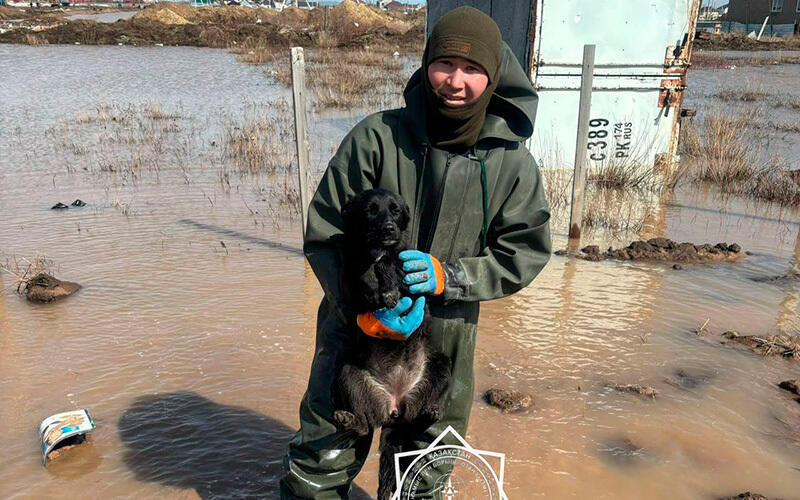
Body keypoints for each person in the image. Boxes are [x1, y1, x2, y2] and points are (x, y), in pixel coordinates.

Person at [280, 6, 551, 499]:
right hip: (354, 339)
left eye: (473, 69)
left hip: (442, 342)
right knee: (319, 464)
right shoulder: (376, 137)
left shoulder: (513, 163)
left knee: (421, 475)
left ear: (494, 76)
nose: (455, 81)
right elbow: (325, 234)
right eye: (444, 64)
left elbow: (525, 251)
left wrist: (451, 278)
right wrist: (360, 311)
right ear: (426, 65)